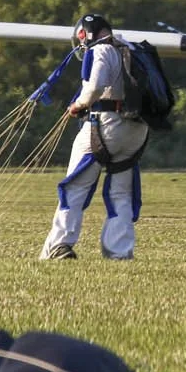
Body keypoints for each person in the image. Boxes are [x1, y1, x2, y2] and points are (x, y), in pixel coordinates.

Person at [40, 14, 147, 262]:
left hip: (104, 126)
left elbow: (95, 86)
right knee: (121, 194)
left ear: (84, 35)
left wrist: (79, 104)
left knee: (75, 187)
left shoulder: (102, 50)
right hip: (136, 130)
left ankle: (59, 245)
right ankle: (119, 252)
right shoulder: (132, 49)